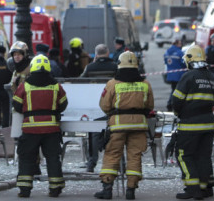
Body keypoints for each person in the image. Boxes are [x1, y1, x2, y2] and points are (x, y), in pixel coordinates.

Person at [94, 52, 154, 200]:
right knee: (134, 156)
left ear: (119, 66)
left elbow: (104, 105)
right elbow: (150, 105)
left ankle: (107, 189)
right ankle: (131, 190)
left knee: (112, 154)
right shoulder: (145, 84)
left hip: (118, 126)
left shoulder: (112, 84)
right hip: (139, 126)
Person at [12, 55, 68, 198]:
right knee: (52, 158)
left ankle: (24, 189)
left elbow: (17, 104)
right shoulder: (56, 85)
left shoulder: (25, 85)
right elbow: (63, 104)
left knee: (26, 158)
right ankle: (55, 188)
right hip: (51, 129)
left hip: (30, 129)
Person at [172, 45, 214, 200]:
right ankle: (204, 188)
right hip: (209, 124)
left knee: (184, 155)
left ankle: (193, 189)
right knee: (203, 156)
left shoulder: (189, 76)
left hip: (190, 124)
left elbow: (176, 100)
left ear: (189, 60)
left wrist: (178, 113)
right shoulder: (211, 77)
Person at [79, 44, 118, 173]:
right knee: (114, 134)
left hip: (95, 106)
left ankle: (92, 163)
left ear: (96, 55)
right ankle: (113, 163)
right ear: (108, 53)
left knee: (94, 134)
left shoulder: (90, 68)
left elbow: (80, 81)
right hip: (112, 106)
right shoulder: (114, 67)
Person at [164, 38, 186, 111]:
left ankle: (170, 103)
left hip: (170, 75)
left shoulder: (167, 52)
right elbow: (184, 64)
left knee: (173, 89)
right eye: (180, 43)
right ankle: (171, 104)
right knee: (177, 90)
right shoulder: (179, 52)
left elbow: (166, 62)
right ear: (176, 44)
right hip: (179, 75)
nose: (181, 45)